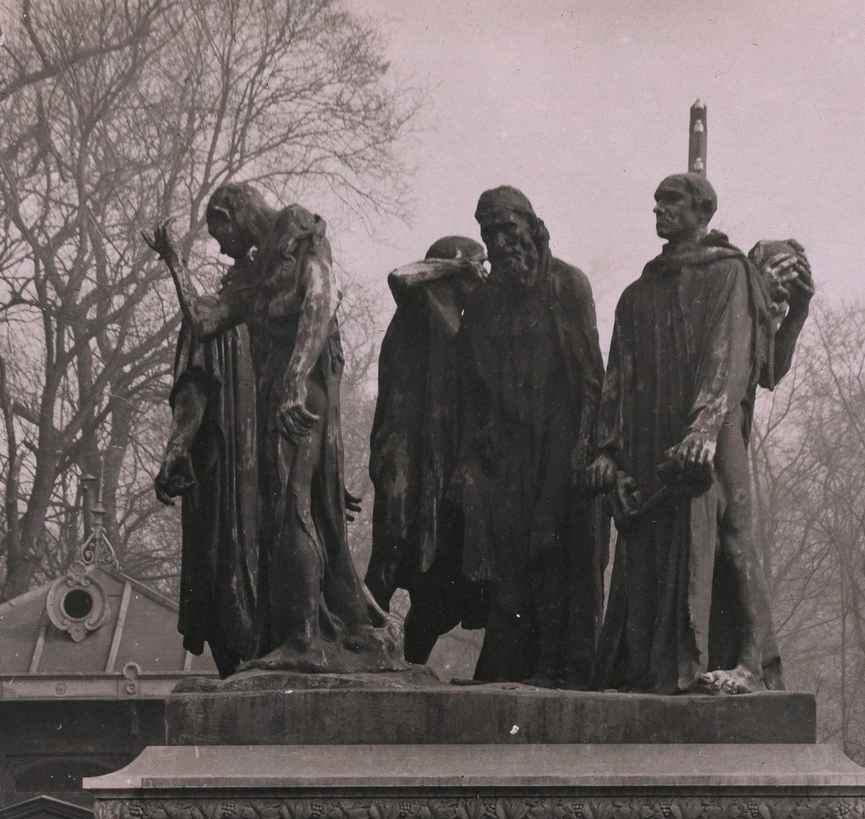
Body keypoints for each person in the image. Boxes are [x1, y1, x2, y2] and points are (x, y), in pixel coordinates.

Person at [151, 182, 400, 677]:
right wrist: (173, 263)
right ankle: (312, 629)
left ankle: (304, 640)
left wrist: (291, 379)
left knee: (292, 508)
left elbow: (318, 302)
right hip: (282, 397)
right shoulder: (256, 270)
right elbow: (205, 322)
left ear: (232, 213)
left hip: (299, 392)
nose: (220, 246)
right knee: (286, 511)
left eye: (218, 230)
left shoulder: (297, 232)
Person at [587, 172, 813, 695]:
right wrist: (608, 454)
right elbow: (616, 379)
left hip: (712, 429)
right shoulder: (637, 293)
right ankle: (650, 665)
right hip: (652, 435)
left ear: (702, 210)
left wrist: (705, 428)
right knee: (649, 544)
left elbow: (737, 359)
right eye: (657, 203)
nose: (660, 211)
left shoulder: (730, 273)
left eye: (672, 202)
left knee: (734, 538)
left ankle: (752, 664)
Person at [452, 186, 606, 687]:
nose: (499, 242)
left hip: (561, 443)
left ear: (532, 226)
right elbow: (470, 386)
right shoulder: (483, 302)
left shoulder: (567, 286)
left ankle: (560, 668)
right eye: (489, 233)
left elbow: (590, 379)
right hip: (508, 450)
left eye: (506, 228)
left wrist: (587, 449)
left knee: (552, 548)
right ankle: (512, 666)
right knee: (509, 562)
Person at [366, 236, 491, 664]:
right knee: (393, 547)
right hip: (405, 454)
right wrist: (454, 266)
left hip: (443, 464)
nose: (484, 274)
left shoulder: (461, 322)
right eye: (479, 266)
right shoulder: (419, 306)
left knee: (443, 581)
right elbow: (401, 276)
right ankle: (359, 648)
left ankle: (413, 664)